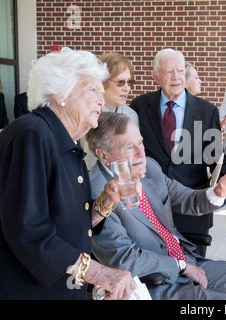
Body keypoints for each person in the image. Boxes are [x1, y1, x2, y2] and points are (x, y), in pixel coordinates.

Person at [87, 112, 226, 300]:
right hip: (154, 284)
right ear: (103, 156)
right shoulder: (96, 193)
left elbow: (186, 199)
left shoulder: (150, 168)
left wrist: (216, 193)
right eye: (129, 147)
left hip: (187, 261)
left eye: (140, 142)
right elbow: (125, 260)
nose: (141, 152)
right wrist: (181, 266)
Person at [0, 48, 137, 300]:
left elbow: (71, 226)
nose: (101, 100)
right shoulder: (32, 135)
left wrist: (104, 204)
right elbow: (29, 233)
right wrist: (101, 273)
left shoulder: (64, 143)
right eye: (93, 90)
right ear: (60, 94)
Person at [131, 49, 226, 257]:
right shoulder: (140, 106)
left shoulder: (206, 111)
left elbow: (216, 159)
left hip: (193, 209)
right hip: (150, 209)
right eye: (168, 72)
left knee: (194, 274)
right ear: (155, 76)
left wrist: (222, 186)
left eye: (180, 71)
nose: (176, 77)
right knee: (155, 273)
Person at [82, 52, 140, 169]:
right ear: (102, 83)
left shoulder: (132, 116)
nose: (127, 88)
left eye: (129, 82)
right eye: (120, 82)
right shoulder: (88, 115)